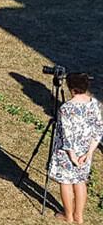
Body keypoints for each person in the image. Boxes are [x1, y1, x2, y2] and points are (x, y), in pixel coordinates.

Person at [49, 72, 103, 224]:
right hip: (86, 151)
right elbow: (99, 130)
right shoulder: (94, 103)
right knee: (80, 182)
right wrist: (89, 152)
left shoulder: (66, 108)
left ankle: (69, 215)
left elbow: (66, 135)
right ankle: (79, 216)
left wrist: (72, 156)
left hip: (68, 153)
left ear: (71, 89)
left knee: (66, 182)